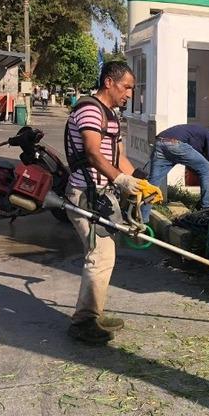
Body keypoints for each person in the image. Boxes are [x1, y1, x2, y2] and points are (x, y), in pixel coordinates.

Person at [63, 61, 158, 344]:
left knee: (105, 256)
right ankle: (83, 323)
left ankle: (93, 314)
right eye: (126, 86)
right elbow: (93, 154)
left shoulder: (112, 116)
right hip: (84, 195)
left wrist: (141, 181)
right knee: (100, 256)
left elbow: (118, 159)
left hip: (100, 196)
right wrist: (120, 180)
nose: (130, 93)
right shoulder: (90, 110)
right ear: (108, 82)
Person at [141, 124, 209, 222]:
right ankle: (206, 207)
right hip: (174, 144)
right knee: (206, 167)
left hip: (159, 142)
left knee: (153, 185)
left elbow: (194, 164)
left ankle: (142, 219)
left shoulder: (196, 133)